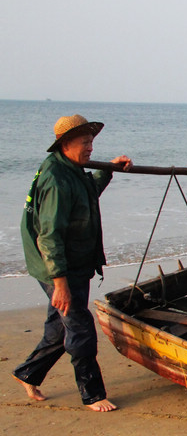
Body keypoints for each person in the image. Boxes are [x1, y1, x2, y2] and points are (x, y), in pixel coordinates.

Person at [14, 115, 132, 412]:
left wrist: (107, 170)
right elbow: (49, 237)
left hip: (74, 260)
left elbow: (86, 194)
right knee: (79, 326)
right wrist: (60, 284)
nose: (91, 148)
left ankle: (28, 373)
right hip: (58, 265)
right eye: (85, 142)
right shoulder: (55, 179)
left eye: (92, 142)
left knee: (61, 326)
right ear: (66, 144)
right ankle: (92, 394)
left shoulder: (73, 169)